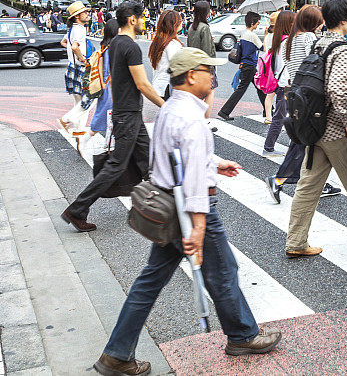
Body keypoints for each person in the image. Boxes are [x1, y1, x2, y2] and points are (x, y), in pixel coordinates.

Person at [93, 48, 281, 376]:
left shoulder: (171, 109)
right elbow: (193, 179)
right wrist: (197, 227)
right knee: (222, 271)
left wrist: (215, 163)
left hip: (167, 205)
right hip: (190, 208)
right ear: (192, 75)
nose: (214, 76)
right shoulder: (192, 117)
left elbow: (175, 157)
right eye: (209, 70)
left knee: (152, 281)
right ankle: (242, 335)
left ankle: (117, 353)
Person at [284, 0, 347, 258]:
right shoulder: (342, 48)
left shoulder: (318, 42)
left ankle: (296, 241)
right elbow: (338, 88)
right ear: (345, 20)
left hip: (314, 125)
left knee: (309, 185)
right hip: (335, 128)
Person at [61, 2, 166, 232]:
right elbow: (142, 84)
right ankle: (77, 209)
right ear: (132, 20)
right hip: (127, 114)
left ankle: (157, 204)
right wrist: (165, 105)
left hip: (128, 112)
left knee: (147, 162)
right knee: (115, 166)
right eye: (142, 18)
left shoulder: (116, 43)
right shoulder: (130, 46)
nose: (143, 22)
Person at [267, 6, 340, 200]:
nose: (321, 25)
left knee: (304, 139)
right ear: (313, 23)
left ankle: (317, 183)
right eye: (319, 22)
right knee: (306, 140)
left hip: (294, 92)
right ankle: (280, 179)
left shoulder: (287, 42)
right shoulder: (308, 38)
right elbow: (316, 62)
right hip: (310, 94)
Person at [217, 11, 267, 121]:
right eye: (257, 22)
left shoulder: (243, 33)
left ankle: (268, 109)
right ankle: (224, 111)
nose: (258, 25)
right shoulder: (252, 35)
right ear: (253, 23)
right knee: (242, 89)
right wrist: (267, 35)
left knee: (259, 86)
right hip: (249, 65)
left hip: (246, 65)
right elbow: (263, 48)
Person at [262, 10, 295, 155]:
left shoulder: (278, 38)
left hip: (282, 82)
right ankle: (268, 147)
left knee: (285, 116)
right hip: (286, 83)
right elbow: (288, 64)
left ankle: (293, 147)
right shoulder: (287, 41)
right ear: (289, 23)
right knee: (280, 117)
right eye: (294, 21)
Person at [58, 2, 92, 136]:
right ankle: (66, 120)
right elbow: (74, 46)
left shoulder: (71, 29)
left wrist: (72, 55)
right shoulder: (80, 29)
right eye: (85, 12)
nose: (87, 14)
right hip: (80, 68)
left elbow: (64, 42)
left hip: (71, 67)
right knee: (88, 99)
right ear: (77, 16)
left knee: (79, 101)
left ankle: (79, 129)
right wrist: (83, 59)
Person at [186, 0, 217, 120]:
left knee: (197, 93)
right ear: (206, 12)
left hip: (194, 64)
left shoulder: (191, 27)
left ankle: (195, 118)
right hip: (205, 65)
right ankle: (206, 120)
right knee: (210, 91)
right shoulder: (205, 27)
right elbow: (208, 51)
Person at [89, 19, 119, 136]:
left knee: (104, 114)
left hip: (105, 84)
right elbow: (108, 69)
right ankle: (86, 138)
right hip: (109, 87)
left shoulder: (105, 46)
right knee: (103, 114)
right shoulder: (111, 48)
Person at [149, 9, 184, 100]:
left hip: (159, 85)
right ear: (173, 24)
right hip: (168, 87)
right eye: (180, 21)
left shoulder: (159, 41)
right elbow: (178, 66)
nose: (182, 22)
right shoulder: (171, 44)